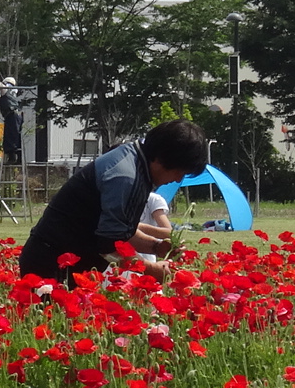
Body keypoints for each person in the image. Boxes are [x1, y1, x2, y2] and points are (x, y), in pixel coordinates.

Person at [19, 120, 208, 284]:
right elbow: (109, 245)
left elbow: (120, 232)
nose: (177, 180)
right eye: (180, 172)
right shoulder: (126, 177)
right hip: (52, 263)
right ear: (161, 158)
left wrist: (156, 247)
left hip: (67, 261)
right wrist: (150, 269)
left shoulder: (137, 164)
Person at [136, 191, 172, 266]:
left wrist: (137, 227)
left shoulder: (153, 199)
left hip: (146, 259)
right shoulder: (113, 198)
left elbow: (169, 233)